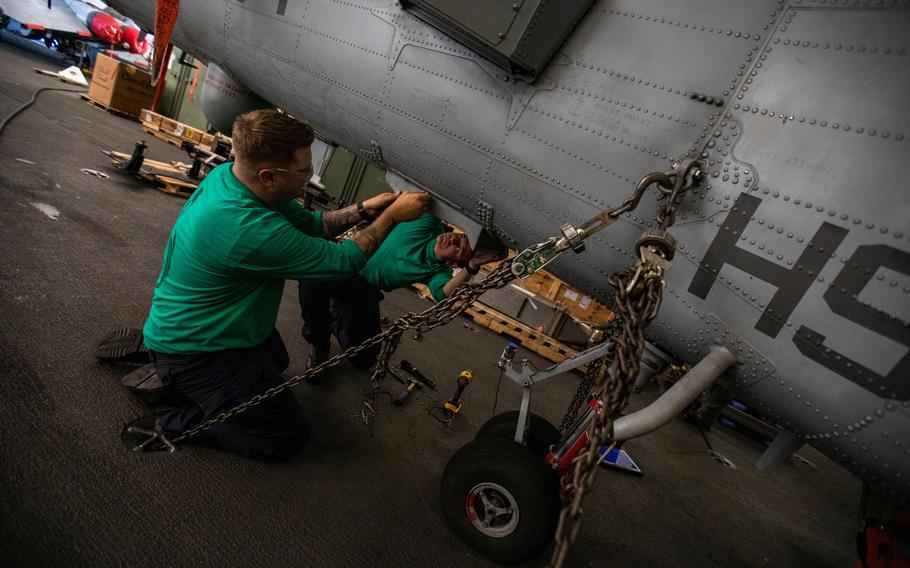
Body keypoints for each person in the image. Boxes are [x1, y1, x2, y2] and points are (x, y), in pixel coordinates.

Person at [136, 108, 429, 460]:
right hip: (197, 350)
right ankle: (184, 416)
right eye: (304, 169)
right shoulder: (247, 228)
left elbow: (313, 224)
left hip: (204, 329)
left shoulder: (231, 178)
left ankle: (180, 376)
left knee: (276, 358)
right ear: (269, 176)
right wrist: (393, 217)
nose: (310, 174)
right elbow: (342, 262)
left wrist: (365, 208)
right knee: (286, 437)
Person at [299, 212, 502, 372]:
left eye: (458, 247)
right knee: (312, 280)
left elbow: (442, 294)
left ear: (454, 263)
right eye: (460, 236)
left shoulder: (438, 271)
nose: (453, 239)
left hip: (365, 292)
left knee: (363, 360)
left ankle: (335, 313)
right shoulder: (428, 223)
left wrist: (473, 265)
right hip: (347, 267)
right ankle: (319, 345)